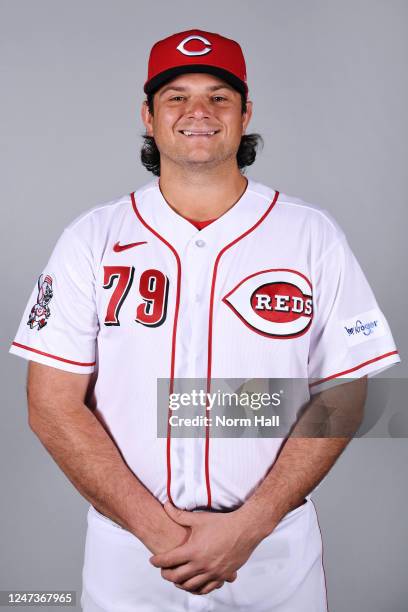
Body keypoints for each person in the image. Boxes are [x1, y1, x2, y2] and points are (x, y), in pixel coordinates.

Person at [9, 28, 401, 612]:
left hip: (271, 551)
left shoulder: (309, 234)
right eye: (177, 96)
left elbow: (346, 391)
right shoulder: (91, 239)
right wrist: (159, 534)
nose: (199, 111)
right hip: (132, 554)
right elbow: (51, 404)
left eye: (219, 96)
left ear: (245, 114)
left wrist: (249, 526)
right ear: (149, 116)